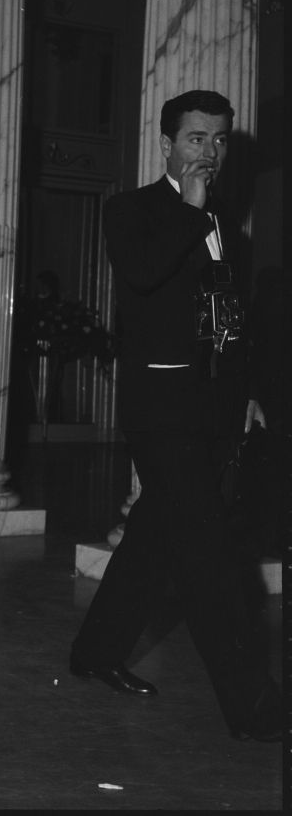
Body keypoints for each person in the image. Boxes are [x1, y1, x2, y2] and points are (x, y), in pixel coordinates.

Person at [69, 89, 280, 743]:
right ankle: (255, 709)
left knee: (153, 536)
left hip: (213, 408)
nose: (208, 153)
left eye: (219, 141)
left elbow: (227, 321)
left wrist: (244, 392)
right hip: (159, 408)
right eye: (196, 139)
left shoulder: (225, 226)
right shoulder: (131, 210)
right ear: (167, 143)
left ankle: (95, 652)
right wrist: (190, 211)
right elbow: (141, 275)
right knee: (208, 552)